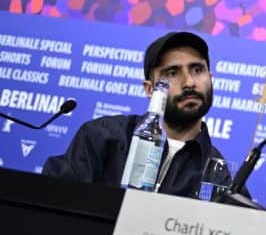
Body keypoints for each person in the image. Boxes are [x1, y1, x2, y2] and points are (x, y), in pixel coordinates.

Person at [44, 31, 228, 197]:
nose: (189, 82)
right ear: (150, 89)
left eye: (197, 70)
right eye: (172, 73)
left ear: (210, 79)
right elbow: (54, 197)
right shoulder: (103, 136)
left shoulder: (216, 171)